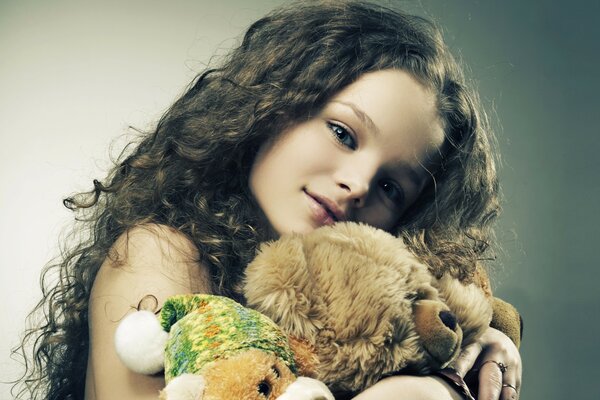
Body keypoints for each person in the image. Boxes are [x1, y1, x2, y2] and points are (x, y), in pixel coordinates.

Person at [14, 1, 522, 399]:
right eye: (343, 133)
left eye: (391, 186)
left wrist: (470, 356)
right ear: (272, 107)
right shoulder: (161, 253)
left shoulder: (352, 310)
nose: (360, 184)